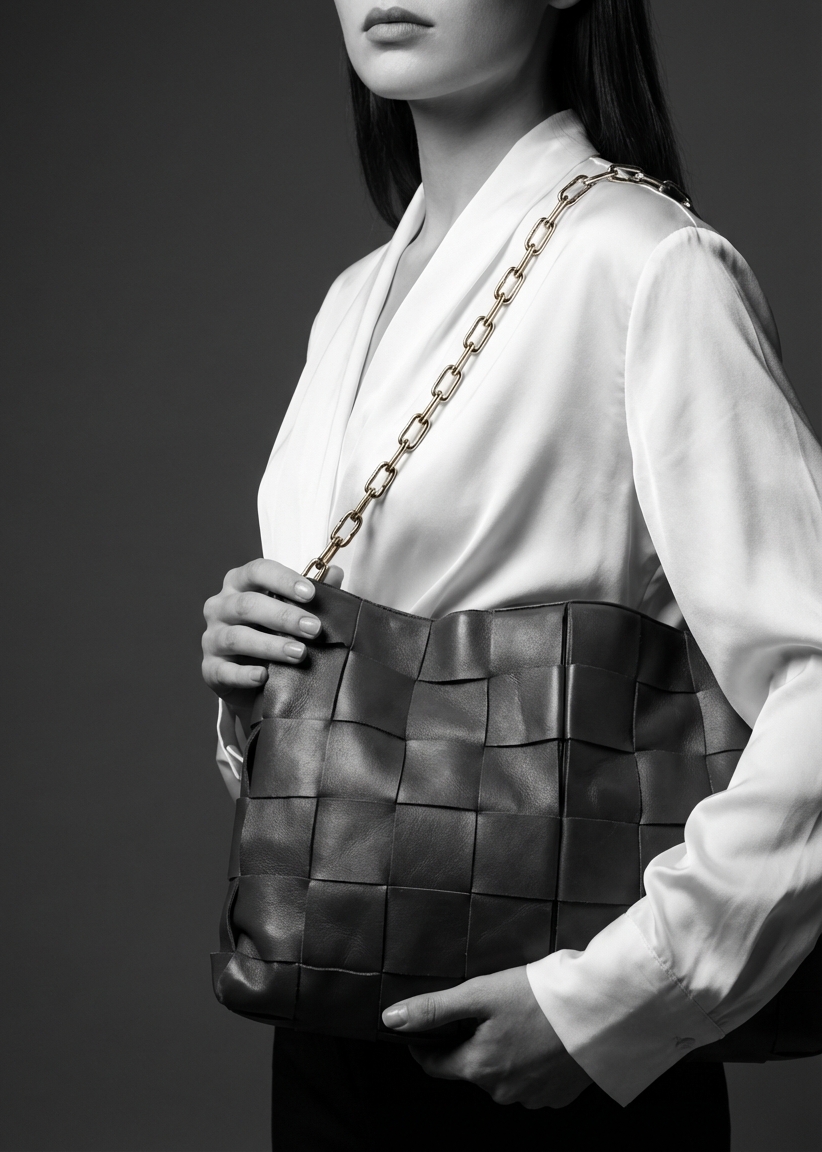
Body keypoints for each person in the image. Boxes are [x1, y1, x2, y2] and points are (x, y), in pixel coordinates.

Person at [201, 2, 822, 1149]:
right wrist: (258, 675)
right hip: (332, 1015)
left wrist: (606, 1005)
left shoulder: (648, 262)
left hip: (561, 1049)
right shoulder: (350, 302)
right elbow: (381, 716)